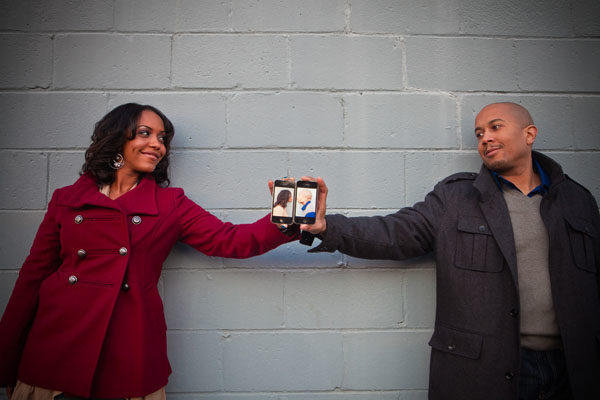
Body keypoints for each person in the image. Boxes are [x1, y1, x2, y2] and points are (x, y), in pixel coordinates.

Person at [301, 103, 600, 399]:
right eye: (479, 133)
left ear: (529, 134)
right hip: (487, 370)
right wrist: (328, 227)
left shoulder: (578, 200)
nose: (485, 138)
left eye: (495, 127)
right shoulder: (456, 197)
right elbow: (396, 233)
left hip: (572, 368)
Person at [0, 103, 297, 400]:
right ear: (117, 138)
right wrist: (6, 363)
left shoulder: (170, 204)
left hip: (128, 354)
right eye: (145, 133)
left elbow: (231, 240)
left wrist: (290, 213)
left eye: (163, 138)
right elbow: (31, 278)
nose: (158, 144)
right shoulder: (66, 199)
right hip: (53, 350)